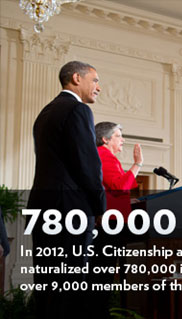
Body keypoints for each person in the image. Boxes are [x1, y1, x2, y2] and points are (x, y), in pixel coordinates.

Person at [27, 61, 105, 318]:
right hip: (68, 209)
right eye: (94, 80)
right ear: (76, 78)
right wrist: (99, 208)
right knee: (69, 285)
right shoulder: (77, 110)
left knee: (48, 284)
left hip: (42, 207)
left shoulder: (46, 112)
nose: (98, 87)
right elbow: (88, 164)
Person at [86, 121, 143, 318]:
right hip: (108, 225)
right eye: (118, 136)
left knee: (103, 274)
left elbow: (113, 190)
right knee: (102, 275)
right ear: (105, 139)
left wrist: (128, 201)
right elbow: (120, 187)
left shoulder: (104, 157)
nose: (123, 140)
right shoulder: (104, 156)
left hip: (109, 222)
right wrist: (137, 165)